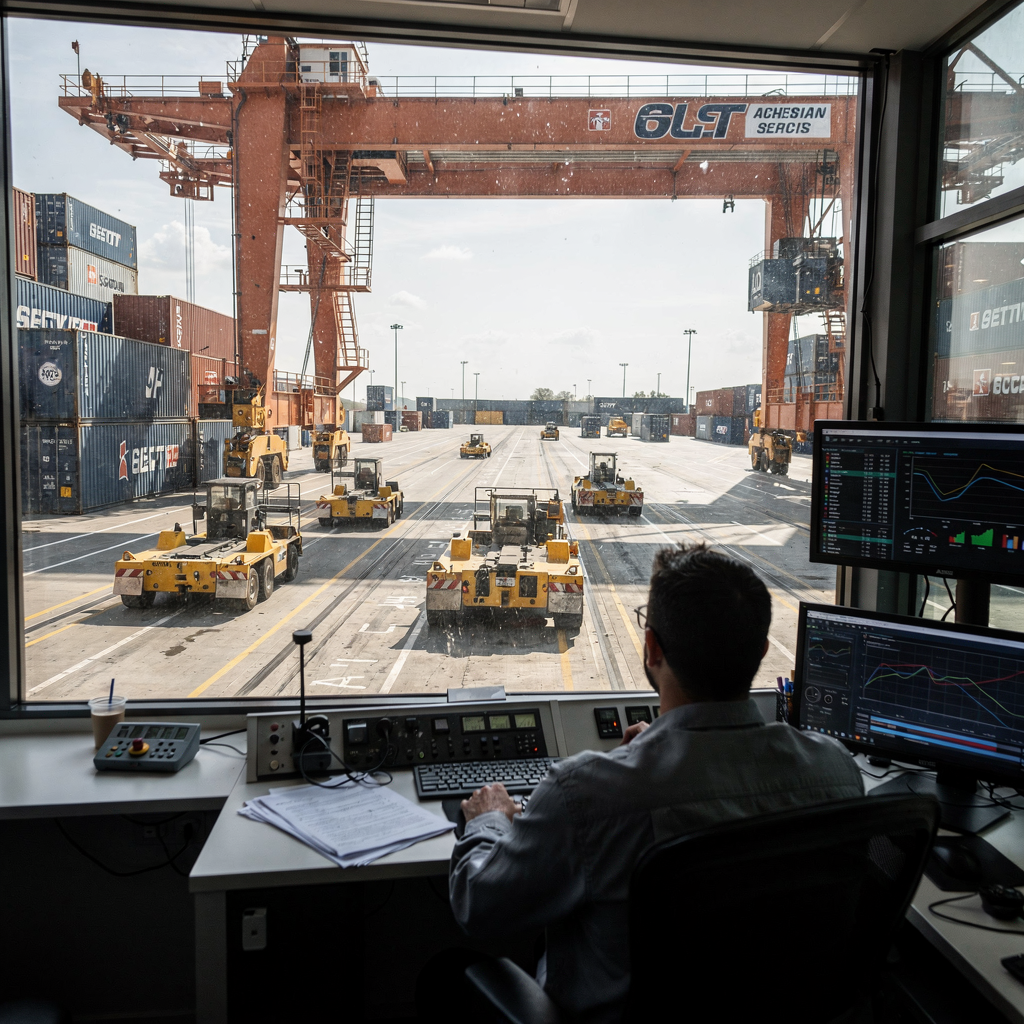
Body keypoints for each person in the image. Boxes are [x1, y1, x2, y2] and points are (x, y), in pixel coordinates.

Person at [448, 542, 863, 1023]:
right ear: (762, 652)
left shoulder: (586, 794)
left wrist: (489, 822)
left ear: (652, 648)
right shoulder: (837, 770)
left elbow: (479, 905)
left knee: (446, 973)